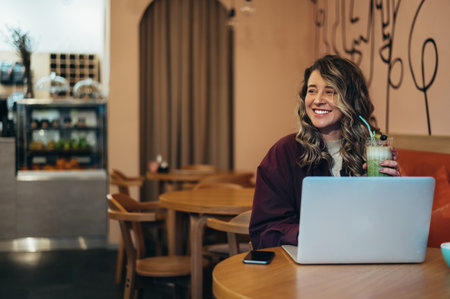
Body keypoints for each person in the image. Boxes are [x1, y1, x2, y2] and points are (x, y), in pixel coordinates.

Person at [249, 55, 401, 249]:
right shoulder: (284, 153)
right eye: (311, 91)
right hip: (305, 263)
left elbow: (388, 227)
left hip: (363, 256)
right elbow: (264, 230)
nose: (318, 100)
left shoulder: (373, 149)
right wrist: (314, 234)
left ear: (351, 100)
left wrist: (395, 191)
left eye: (330, 92)